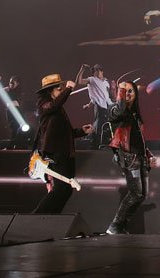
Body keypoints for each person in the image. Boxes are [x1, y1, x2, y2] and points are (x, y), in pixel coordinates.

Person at [32, 73, 93, 213]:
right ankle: (37, 217)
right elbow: (52, 106)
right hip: (55, 153)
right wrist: (68, 89)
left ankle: (52, 217)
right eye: (59, 88)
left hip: (65, 152)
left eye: (61, 88)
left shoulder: (57, 108)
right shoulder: (43, 104)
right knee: (60, 189)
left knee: (66, 190)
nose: (61, 90)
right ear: (50, 91)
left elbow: (65, 133)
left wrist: (81, 131)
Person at [106, 81, 155, 234]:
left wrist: (148, 155)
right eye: (124, 91)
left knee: (142, 195)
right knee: (135, 193)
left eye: (130, 91)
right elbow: (120, 112)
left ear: (135, 94)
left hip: (140, 158)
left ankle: (121, 226)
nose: (127, 94)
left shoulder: (134, 113)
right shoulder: (115, 109)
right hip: (129, 158)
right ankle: (115, 226)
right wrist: (120, 91)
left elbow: (139, 139)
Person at [76, 63, 112, 149]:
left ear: (102, 71)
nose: (97, 72)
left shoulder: (106, 82)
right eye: (95, 70)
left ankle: (104, 143)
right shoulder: (92, 80)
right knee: (99, 125)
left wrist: (89, 104)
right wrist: (82, 69)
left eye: (98, 70)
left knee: (107, 125)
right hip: (99, 106)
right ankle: (95, 144)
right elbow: (79, 82)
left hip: (108, 105)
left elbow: (103, 95)